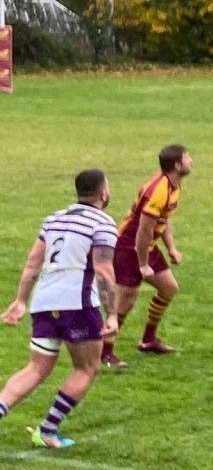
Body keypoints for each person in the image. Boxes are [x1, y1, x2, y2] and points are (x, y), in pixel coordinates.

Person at [0, 170, 119, 448]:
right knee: (86, 367)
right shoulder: (102, 223)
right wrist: (112, 314)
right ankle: (47, 430)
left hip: (43, 302)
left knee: (36, 368)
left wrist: (20, 301)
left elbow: (32, 262)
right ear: (103, 193)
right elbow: (103, 271)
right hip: (76, 305)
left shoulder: (53, 219)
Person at [102, 145, 192, 368]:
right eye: (187, 158)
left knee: (168, 288)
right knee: (125, 302)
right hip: (129, 247)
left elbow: (164, 219)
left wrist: (171, 248)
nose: (191, 161)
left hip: (146, 246)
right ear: (177, 165)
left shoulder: (174, 185)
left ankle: (147, 340)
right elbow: (143, 230)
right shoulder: (158, 190)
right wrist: (142, 264)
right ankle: (104, 353)